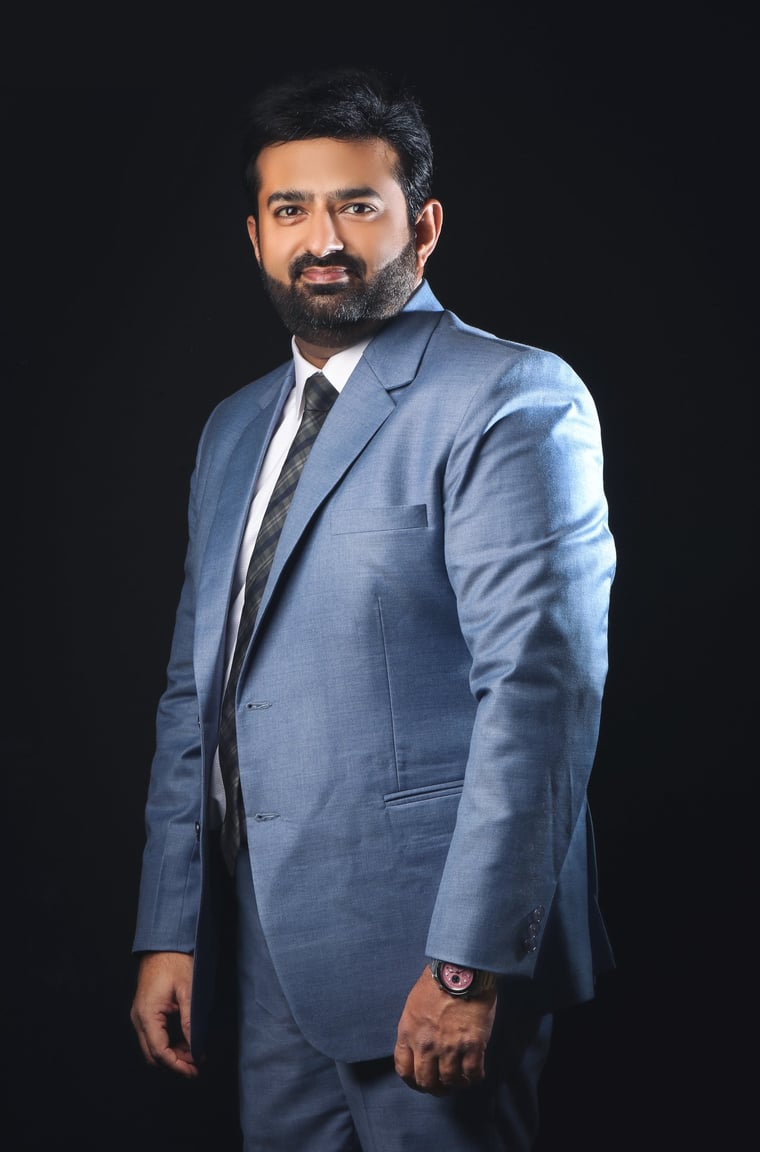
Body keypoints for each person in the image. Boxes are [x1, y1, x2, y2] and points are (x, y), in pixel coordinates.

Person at [129, 64, 616, 1151]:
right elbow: (193, 697)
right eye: (291, 209)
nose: (323, 240)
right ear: (255, 235)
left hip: (431, 958)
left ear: (423, 226)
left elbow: (539, 695)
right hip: (267, 955)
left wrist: (468, 966)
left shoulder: (509, 398)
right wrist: (172, 928)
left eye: (357, 205)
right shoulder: (233, 430)